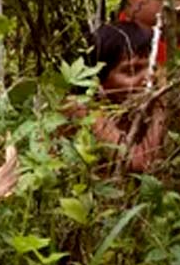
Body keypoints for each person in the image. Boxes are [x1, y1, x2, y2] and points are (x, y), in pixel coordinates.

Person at [71, 22, 168, 172]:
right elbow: (138, 162)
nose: (147, 78)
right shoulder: (80, 108)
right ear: (98, 81)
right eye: (131, 71)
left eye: (150, 68)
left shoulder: (134, 108)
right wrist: (162, 102)